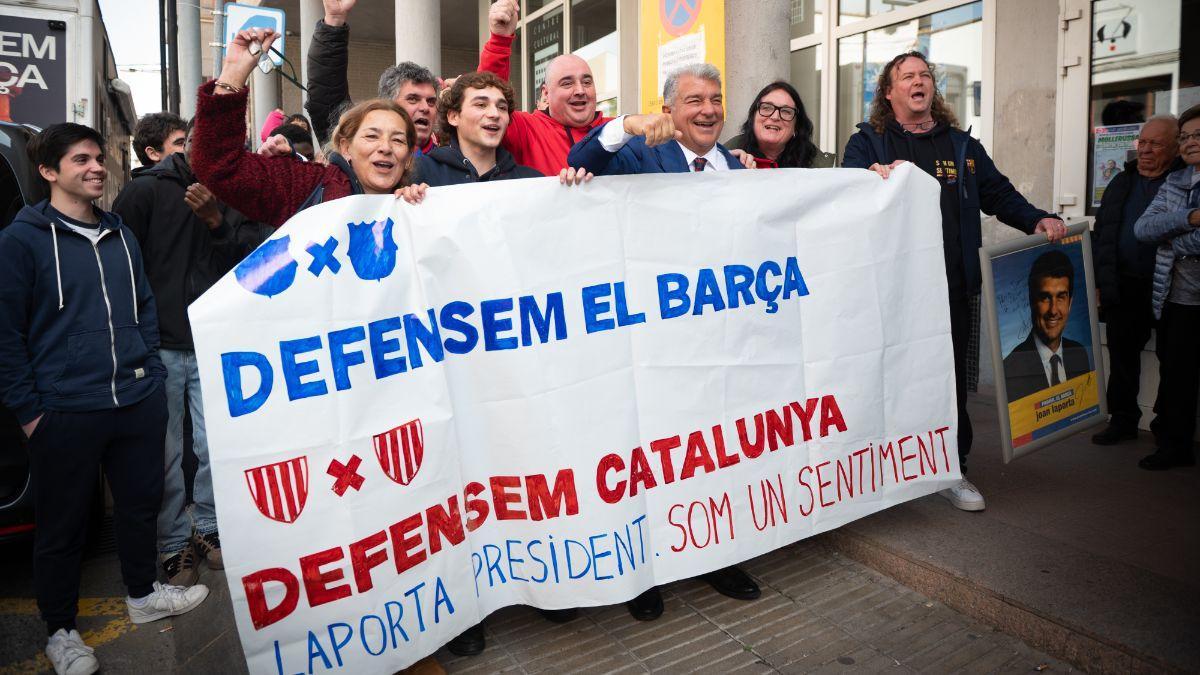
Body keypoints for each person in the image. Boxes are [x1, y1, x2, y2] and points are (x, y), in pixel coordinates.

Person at [0, 123, 208, 675]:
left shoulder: (119, 234)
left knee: (141, 507)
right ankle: (61, 632)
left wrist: (147, 384)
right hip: (64, 411)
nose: (96, 167)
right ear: (49, 171)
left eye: (97, 158)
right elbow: (6, 335)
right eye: (81, 160)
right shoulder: (21, 240)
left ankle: (143, 596)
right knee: (64, 528)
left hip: (135, 400)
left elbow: (142, 306)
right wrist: (31, 415)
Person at [567, 62, 761, 622]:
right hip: (650, 343)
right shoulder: (641, 154)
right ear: (670, 109)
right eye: (694, 100)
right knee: (649, 455)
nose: (708, 110)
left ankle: (717, 554)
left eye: (716, 99)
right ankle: (644, 571)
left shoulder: (735, 167)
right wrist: (624, 126)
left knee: (711, 451)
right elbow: (580, 165)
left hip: (718, 343)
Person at [842, 51, 1066, 512]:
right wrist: (865, 182)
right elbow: (844, 197)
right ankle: (883, 470)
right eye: (907, 77)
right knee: (888, 379)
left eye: (925, 75)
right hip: (891, 293)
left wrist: (1038, 219)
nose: (918, 82)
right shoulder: (868, 143)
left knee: (947, 385)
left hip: (951, 289)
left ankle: (951, 469)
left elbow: (999, 194)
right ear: (889, 92)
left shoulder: (963, 147)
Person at [113, 114, 271, 588]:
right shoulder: (145, 191)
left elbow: (258, 260)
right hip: (158, 345)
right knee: (164, 453)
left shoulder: (237, 189)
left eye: (233, 141)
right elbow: (120, 266)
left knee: (214, 447)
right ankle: (172, 543)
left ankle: (208, 528)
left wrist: (216, 221)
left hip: (216, 341)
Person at [191, 28, 415, 227]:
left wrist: (418, 208)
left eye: (397, 140)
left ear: (408, 158)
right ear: (346, 147)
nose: (385, 147)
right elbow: (217, 165)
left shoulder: (418, 207)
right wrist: (233, 74)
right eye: (372, 136)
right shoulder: (305, 186)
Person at [1091, 116, 1181, 445]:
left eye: (1155, 144)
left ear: (1174, 147)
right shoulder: (1121, 181)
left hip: (1171, 287)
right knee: (1123, 357)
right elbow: (1103, 235)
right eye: (1142, 142)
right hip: (1124, 284)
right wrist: (1102, 281)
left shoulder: (1183, 182)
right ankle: (1123, 421)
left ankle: (1168, 431)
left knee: (1174, 362)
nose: (1144, 150)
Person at [1134, 103, 1200, 471]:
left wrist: (1173, 238)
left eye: (1197, 135)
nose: (1191, 142)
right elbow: (1143, 230)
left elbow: (1169, 237)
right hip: (1177, 299)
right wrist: (1190, 218)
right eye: (1186, 136)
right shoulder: (1176, 183)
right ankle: (1175, 447)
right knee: (1177, 378)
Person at [477, 0, 611, 176]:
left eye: (587, 82)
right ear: (546, 93)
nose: (580, 90)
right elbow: (489, 96)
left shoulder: (618, 130)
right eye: (567, 83)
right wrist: (500, 40)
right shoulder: (527, 131)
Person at [305, 0, 439, 153]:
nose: (425, 108)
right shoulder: (358, 149)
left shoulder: (455, 163)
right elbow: (326, 95)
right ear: (387, 105)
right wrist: (334, 21)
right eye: (413, 99)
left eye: (431, 101)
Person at [408, 71, 541, 187]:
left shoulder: (533, 182)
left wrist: (561, 187)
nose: (494, 114)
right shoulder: (417, 174)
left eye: (502, 107)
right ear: (453, 116)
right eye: (481, 105)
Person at [1002, 251, 1092, 402]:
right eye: (1045, 297)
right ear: (1031, 301)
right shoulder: (1011, 368)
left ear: (1070, 303)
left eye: (1061, 297)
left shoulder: (1079, 354)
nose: (1053, 310)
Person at [725, 81, 834, 168]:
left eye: (786, 111)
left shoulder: (815, 165)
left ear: (796, 125)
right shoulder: (731, 153)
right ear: (753, 116)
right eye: (767, 108)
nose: (775, 117)